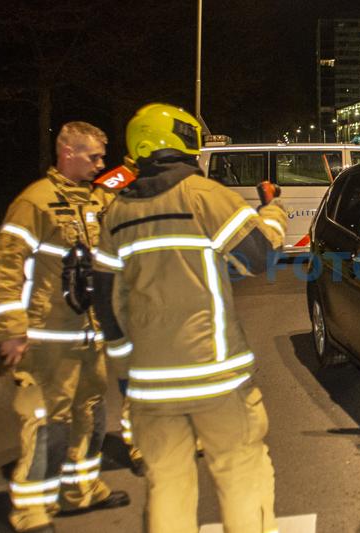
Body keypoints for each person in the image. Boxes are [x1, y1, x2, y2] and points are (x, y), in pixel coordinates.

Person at [92, 103, 287, 533]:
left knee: (167, 485)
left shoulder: (117, 213)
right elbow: (260, 257)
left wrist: (126, 369)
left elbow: (106, 301)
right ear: (184, 138)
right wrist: (272, 211)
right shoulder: (203, 195)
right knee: (241, 471)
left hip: (150, 385)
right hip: (214, 376)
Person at [0, 122, 130, 533]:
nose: (100, 165)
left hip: (87, 335)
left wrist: (134, 166)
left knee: (90, 414)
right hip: (47, 338)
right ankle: (31, 510)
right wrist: (12, 329)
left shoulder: (89, 201)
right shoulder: (34, 203)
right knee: (46, 422)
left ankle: (80, 491)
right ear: (67, 153)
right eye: (94, 157)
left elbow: (116, 186)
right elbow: (5, 266)